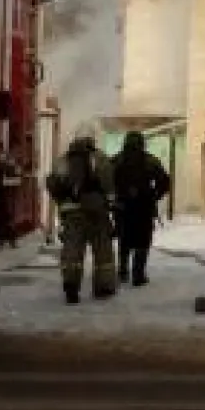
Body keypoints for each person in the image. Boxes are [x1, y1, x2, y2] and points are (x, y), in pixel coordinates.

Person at [45, 121, 119, 304]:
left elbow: (52, 183)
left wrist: (63, 201)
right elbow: (109, 184)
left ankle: (71, 284)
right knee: (103, 251)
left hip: (71, 213)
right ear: (92, 139)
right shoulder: (100, 158)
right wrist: (110, 203)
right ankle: (104, 286)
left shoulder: (63, 160)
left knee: (72, 250)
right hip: (96, 212)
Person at [112, 130, 171, 287]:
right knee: (142, 241)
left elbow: (106, 182)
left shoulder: (117, 160)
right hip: (143, 207)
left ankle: (123, 271)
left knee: (124, 239)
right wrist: (153, 196)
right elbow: (165, 182)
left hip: (122, 207)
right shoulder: (150, 161)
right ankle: (138, 274)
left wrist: (114, 200)